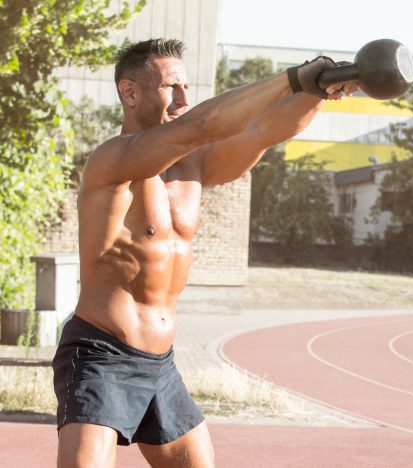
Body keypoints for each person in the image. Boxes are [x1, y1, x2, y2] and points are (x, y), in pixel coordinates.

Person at [52, 38, 357, 467]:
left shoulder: (193, 167)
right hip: (102, 355)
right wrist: (291, 78)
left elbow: (264, 130)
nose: (183, 99)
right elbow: (203, 125)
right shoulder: (113, 161)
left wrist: (319, 91)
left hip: (160, 363)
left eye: (187, 88)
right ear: (130, 92)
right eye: (171, 87)